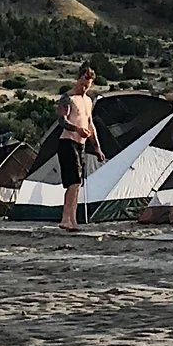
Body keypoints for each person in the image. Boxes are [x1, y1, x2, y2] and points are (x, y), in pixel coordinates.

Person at [56, 65, 98, 232]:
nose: (85, 85)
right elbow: (62, 121)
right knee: (73, 182)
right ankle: (66, 219)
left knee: (78, 183)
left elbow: (90, 123)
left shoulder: (88, 101)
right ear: (78, 78)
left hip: (81, 144)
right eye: (83, 81)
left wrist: (97, 147)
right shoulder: (68, 98)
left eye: (89, 82)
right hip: (68, 142)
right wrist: (77, 129)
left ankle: (71, 219)